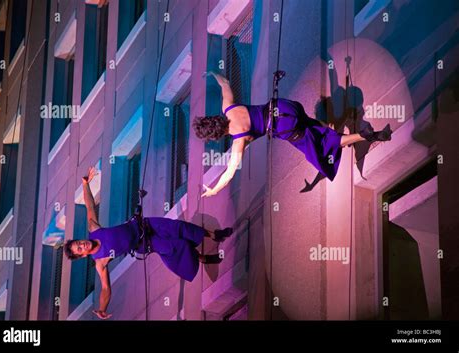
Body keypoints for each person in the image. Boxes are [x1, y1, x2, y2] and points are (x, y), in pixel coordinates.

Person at [63, 167, 232, 319]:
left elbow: (89, 206)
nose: (83, 244)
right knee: (176, 247)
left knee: (179, 227)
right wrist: (102, 308)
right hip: (145, 243)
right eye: (79, 248)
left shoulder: (94, 228)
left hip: (145, 224)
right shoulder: (100, 262)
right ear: (82, 255)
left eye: (79, 242)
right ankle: (203, 259)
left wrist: (85, 184)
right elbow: (106, 289)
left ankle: (214, 234)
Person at [193, 72, 392, 197]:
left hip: (285, 126)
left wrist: (214, 190)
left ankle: (366, 135)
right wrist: (212, 73)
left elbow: (229, 172)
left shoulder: (238, 140)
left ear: (217, 135)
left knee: (319, 149)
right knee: (313, 126)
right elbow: (225, 83)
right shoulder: (228, 107)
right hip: (285, 106)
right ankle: (350, 133)